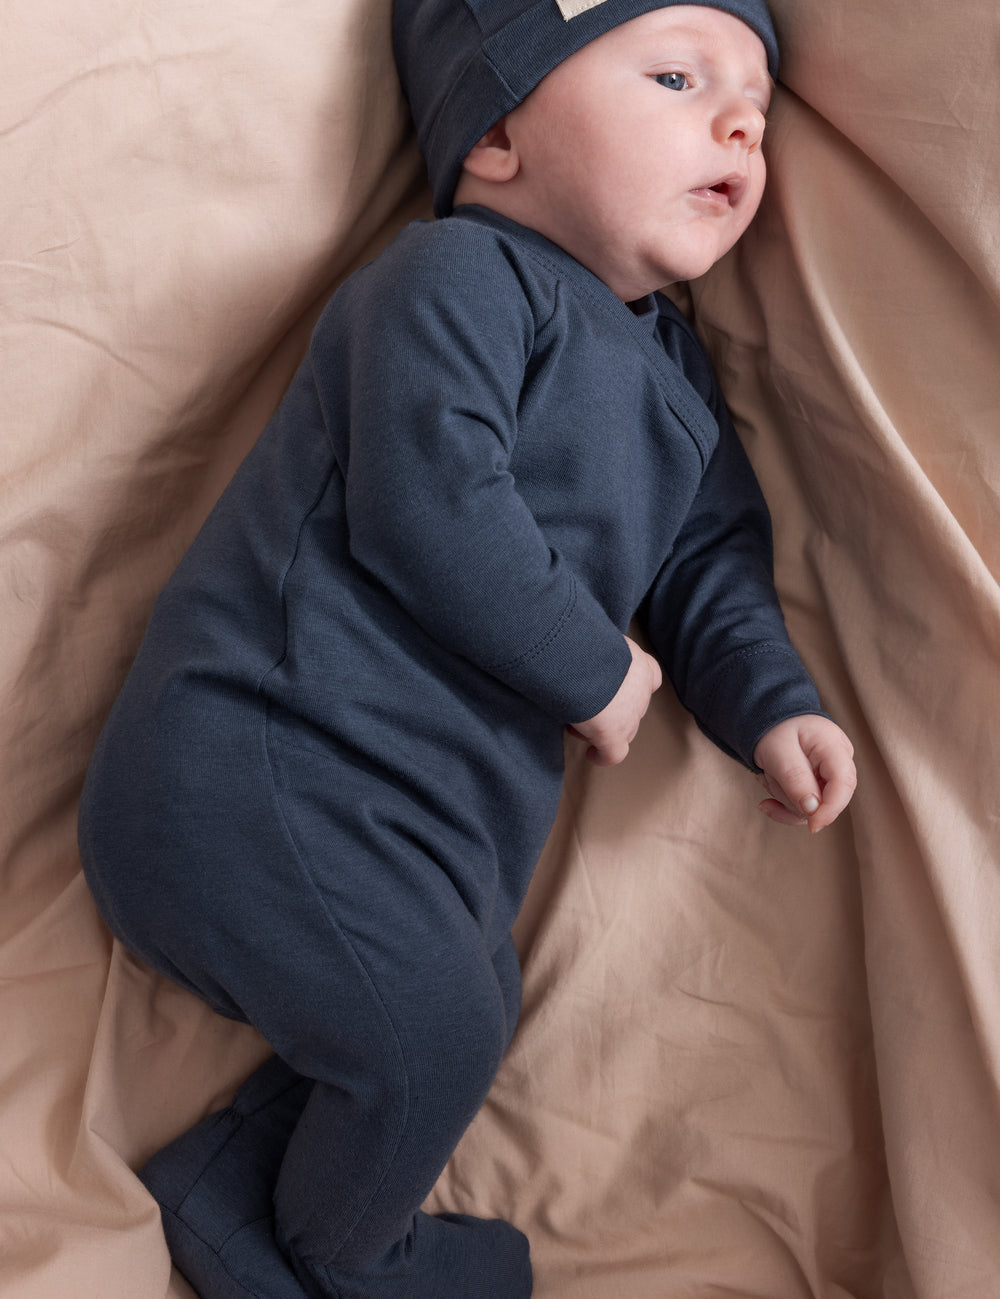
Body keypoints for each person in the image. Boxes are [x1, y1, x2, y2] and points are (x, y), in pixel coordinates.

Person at [77, 0, 857, 1295]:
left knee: (467, 1011)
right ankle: (349, 1260)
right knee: (429, 1036)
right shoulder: (455, 278)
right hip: (262, 769)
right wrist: (594, 669)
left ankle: (224, 1202)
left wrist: (776, 706)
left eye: (756, 107)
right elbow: (428, 499)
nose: (737, 123)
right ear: (497, 136)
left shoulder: (676, 386)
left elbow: (711, 567)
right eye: (678, 78)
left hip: (416, 840)